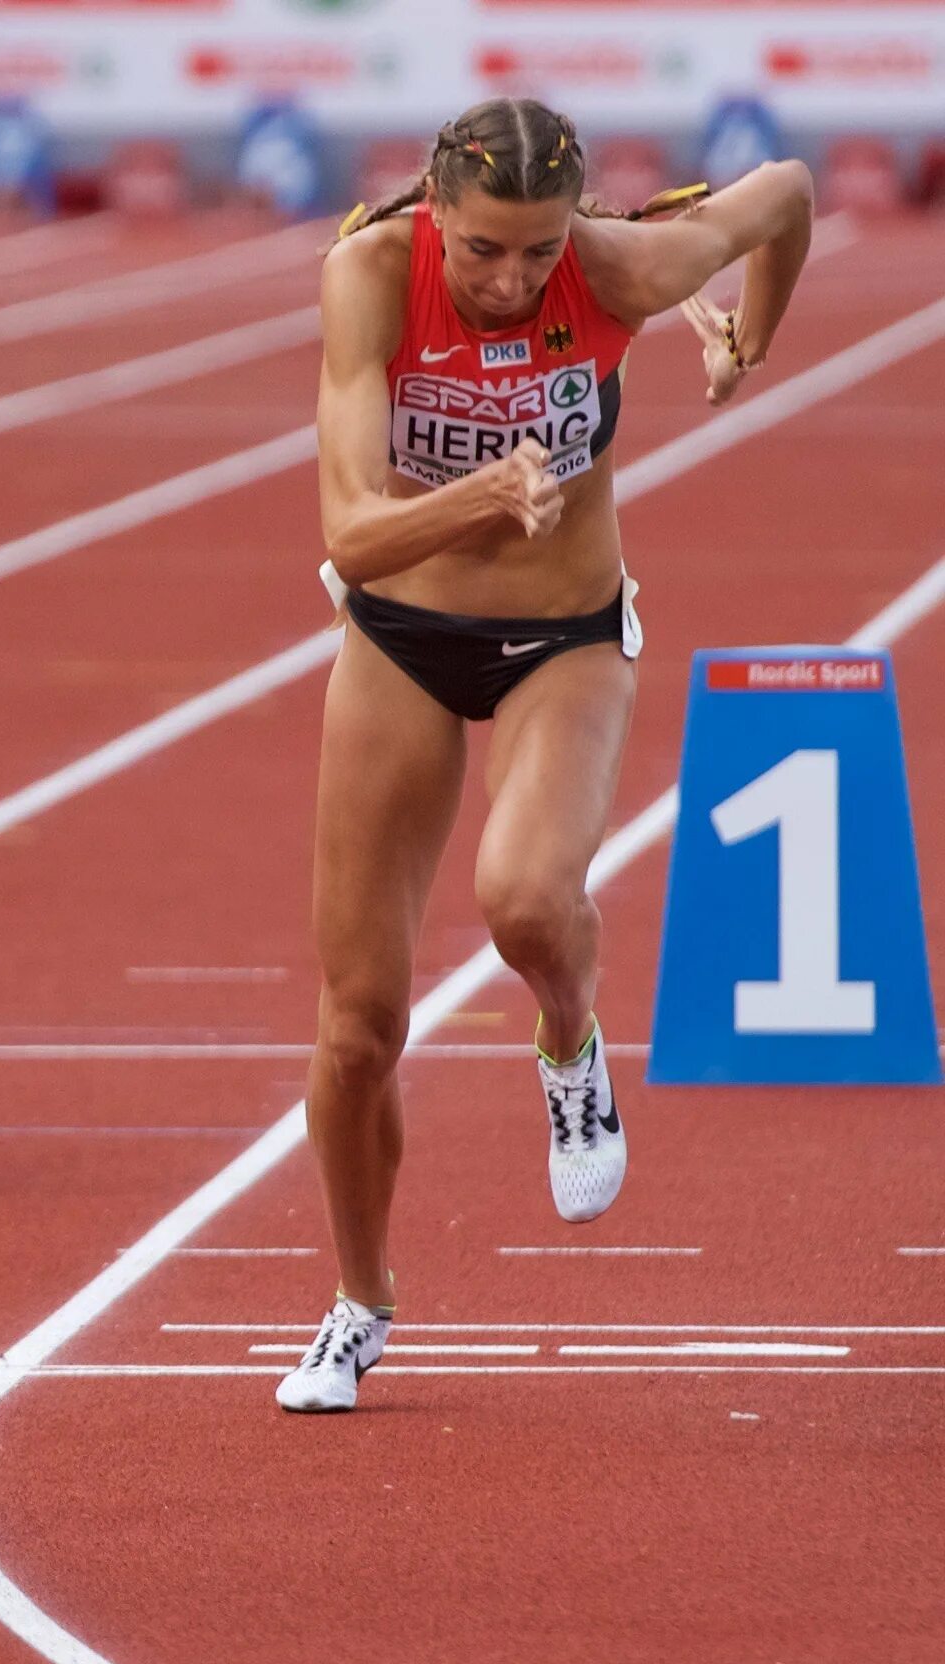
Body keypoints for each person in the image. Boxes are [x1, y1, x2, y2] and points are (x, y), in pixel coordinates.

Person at [279, 99, 812, 1412]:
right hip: (401, 638)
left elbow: (787, 195)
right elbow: (349, 531)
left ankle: (569, 1048)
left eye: (535, 252)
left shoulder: (621, 267)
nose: (512, 281)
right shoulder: (366, 276)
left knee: (521, 896)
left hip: (566, 634)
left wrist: (749, 332)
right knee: (358, 1026)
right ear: (430, 215)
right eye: (481, 253)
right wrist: (480, 491)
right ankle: (360, 1301)